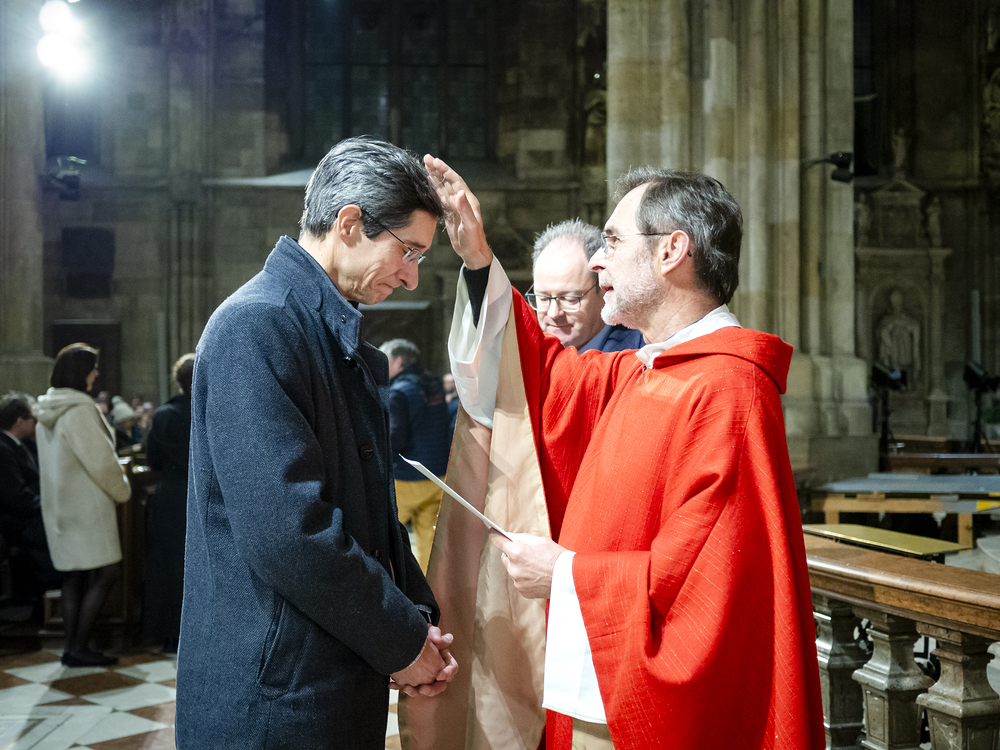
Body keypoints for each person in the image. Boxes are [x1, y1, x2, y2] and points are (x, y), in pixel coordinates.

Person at [417, 156, 824, 750]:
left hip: (647, 707)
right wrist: (479, 261)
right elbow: (541, 376)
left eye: (611, 241)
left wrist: (564, 574)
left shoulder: (728, 391)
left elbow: (706, 587)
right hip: (597, 674)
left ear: (671, 251)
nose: (597, 260)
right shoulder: (644, 371)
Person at [175, 136, 458, 750]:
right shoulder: (258, 323)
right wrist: (399, 641)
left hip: (321, 674)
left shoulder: (317, 329)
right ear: (350, 224)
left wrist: (415, 623)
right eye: (408, 250)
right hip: (274, 694)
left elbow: (368, 511)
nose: (411, 276)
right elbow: (288, 532)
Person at [34, 344, 132, 667]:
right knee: (107, 572)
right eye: (93, 367)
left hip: (63, 507)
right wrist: (122, 490)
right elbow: (100, 462)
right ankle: (78, 647)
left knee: (73, 576)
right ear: (81, 372)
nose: (96, 373)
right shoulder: (78, 410)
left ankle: (72, 647)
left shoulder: (48, 410)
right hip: (87, 508)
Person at [379, 339, 452, 572]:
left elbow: (394, 438)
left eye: (385, 359)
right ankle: (430, 586)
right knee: (429, 540)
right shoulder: (433, 384)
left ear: (398, 361)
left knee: (384, 534)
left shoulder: (398, 392)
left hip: (408, 479)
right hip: (438, 476)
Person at [143, 353, 195, 653]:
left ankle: (167, 634)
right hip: (202, 496)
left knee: (167, 563)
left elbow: (152, 459)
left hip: (171, 494)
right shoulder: (210, 409)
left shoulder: (164, 415)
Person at [530, 219, 643, 353]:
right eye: (543, 298)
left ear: (605, 289)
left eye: (569, 299)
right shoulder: (523, 354)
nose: (553, 313)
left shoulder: (643, 355)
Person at [0, 392, 62, 602]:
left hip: (26, 509)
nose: (36, 423)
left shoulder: (19, 444)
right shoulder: (3, 449)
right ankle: (49, 595)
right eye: (33, 419)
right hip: (15, 517)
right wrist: (47, 505)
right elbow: (15, 496)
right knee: (52, 531)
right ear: (20, 422)